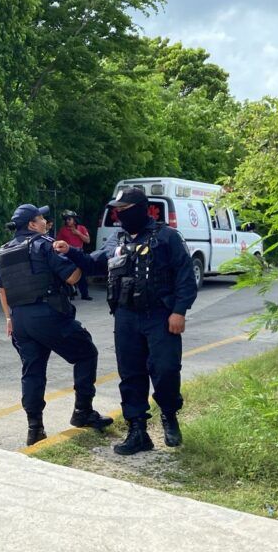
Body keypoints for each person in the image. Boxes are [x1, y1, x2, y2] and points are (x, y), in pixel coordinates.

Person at [55, 187, 197, 455]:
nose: (119, 215)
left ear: (141, 209)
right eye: (117, 211)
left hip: (160, 316)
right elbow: (93, 263)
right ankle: (137, 431)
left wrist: (179, 311)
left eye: (124, 210)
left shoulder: (166, 237)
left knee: (165, 369)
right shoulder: (116, 240)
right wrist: (69, 251)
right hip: (126, 317)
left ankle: (169, 416)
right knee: (130, 374)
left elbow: (185, 276)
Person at [0, 204, 114, 446]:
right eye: (41, 219)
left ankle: (35, 428)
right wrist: (79, 258)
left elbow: (2, 290)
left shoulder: (3, 252)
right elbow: (72, 277)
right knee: (86, 353)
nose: (45, 222)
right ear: (31, 224)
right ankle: (82, 411)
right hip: (48, 315)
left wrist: (9, 319)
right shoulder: (44, 244)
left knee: (33, 372)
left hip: (20, 321)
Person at [56, 210, 93, 301]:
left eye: (69, 219)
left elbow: (87, 240)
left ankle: (85, 294)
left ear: (74, 219)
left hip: (79, 254)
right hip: (67, 254)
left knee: (82, 274)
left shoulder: (82, 228)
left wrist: (78, 233)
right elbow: (57, 242)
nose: (67, 221)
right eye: (66, 219)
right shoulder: (63, 230)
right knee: (69, 273)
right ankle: (71, 293)